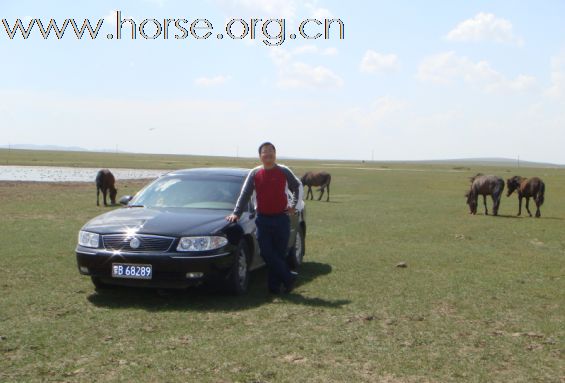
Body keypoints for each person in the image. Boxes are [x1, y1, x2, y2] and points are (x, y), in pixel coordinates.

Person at [226, 142, 301, 294]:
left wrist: (293, 205)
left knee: (279, 253)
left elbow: (296, 186)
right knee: (266, 253)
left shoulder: (284, 171)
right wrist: (236, 213)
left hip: (281, 218)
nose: (268, 155)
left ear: (275, 154)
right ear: (260, 156)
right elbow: (245, 194)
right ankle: (288, 277)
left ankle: (275, 288)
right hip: (263, 219)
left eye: (270, 151)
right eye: (264, 152)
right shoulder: (255, 173)